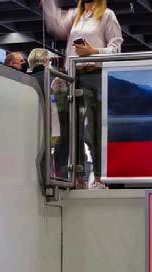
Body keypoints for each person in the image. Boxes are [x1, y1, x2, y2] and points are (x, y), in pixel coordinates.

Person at [42, 0, 122, 188]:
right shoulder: (76, 16)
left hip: (95, 76)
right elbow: (55, 25)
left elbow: (116, 48)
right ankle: (78, 177)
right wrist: (48, 3)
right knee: (72, 130)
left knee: (95, 129)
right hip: (73, 77)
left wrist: (94, 51)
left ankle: (100, 177)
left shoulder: (107, 15)